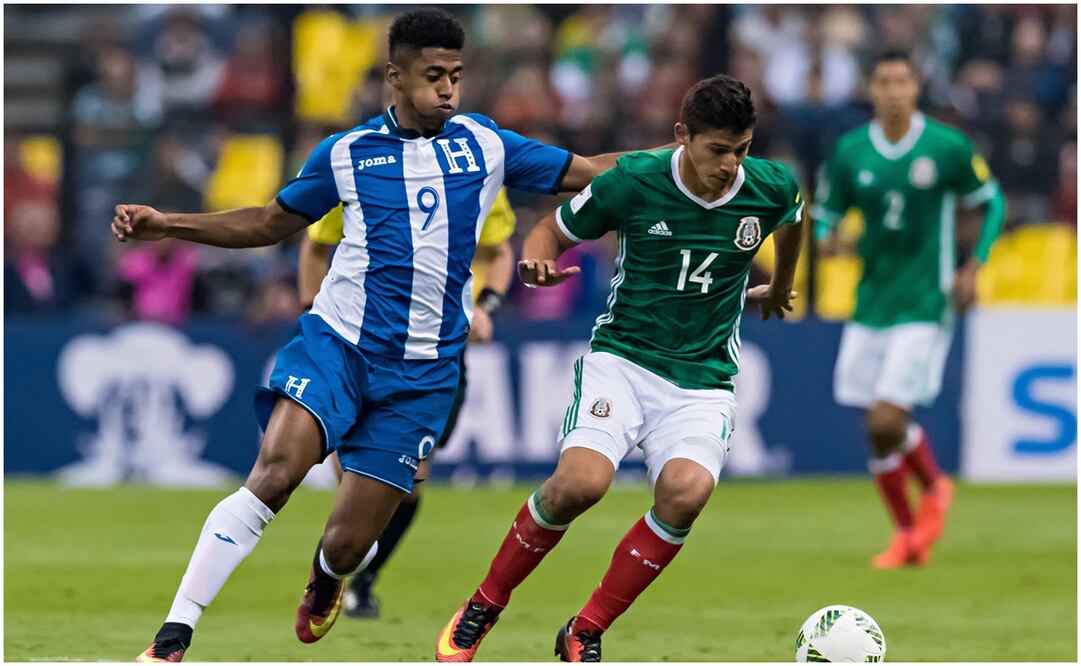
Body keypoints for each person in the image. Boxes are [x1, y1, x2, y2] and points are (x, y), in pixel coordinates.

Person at [115, 8, 635, 662]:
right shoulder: (346, 153)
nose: (447, 89)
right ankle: (173, 636)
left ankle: (328, 575)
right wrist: (169, 224)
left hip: (422, 374)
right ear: (395, 77)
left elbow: (592, 170)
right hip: (338, 346)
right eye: (433, 76)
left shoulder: (485, 145)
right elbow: (268, 223)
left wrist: (680, 162)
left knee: (348, 545)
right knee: (274, 473)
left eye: (455, 76)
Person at [435, 73, 805, 663]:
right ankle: (485, 602)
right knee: (579, 485)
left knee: (686, 494)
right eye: (718, 150)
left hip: (704, 377)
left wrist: (781, 284)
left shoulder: (769, 185)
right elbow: (550, 232)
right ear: (683, 135)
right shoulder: (633, 181)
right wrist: (537, 263)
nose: (730, 165)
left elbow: (793, 219)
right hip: (624, 361)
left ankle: (584, 629)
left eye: (741, 150)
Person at [811, 51, 1005, 569]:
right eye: (884, 81)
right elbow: (828, 212)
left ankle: (927, 498)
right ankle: (915, 520)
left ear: (916, 88)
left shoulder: (947, 146)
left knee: (885, 419)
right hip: (870, 302)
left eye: (902, 81)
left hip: (925, 301)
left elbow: (992, 203)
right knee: (876, 428)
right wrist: (826, 237)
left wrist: (973, 266)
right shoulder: (851, 150)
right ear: (871, 90)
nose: (894, 91)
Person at [296, 187, 517, 618]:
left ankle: (361, 580)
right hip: (362, 342)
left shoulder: (478, 169)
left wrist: (486, 306)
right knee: (352, 474)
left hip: (439, 349)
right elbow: (315, 246)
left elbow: (500, 252)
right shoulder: (363, 169)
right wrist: (311, 314)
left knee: (410, 479)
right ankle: (338, 565)